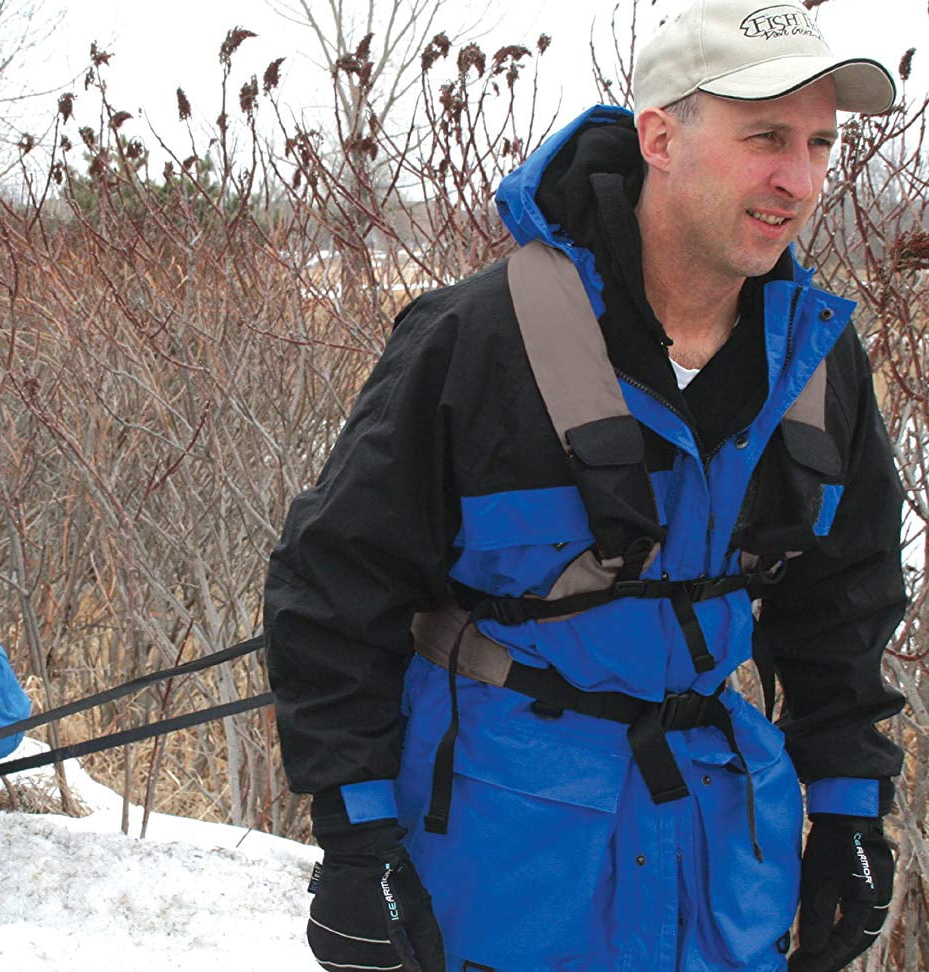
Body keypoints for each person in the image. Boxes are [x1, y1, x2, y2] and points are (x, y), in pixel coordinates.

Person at [264, 2, 908, 970]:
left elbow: (842, 602)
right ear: (660, 135)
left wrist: (851, 814)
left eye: (819, 144)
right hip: (500, 851)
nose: (798, 180)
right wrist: (356, 838)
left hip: (719, 846)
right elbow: (334, 585)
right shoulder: (479, 335)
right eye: (765, 137)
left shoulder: (815, 359)